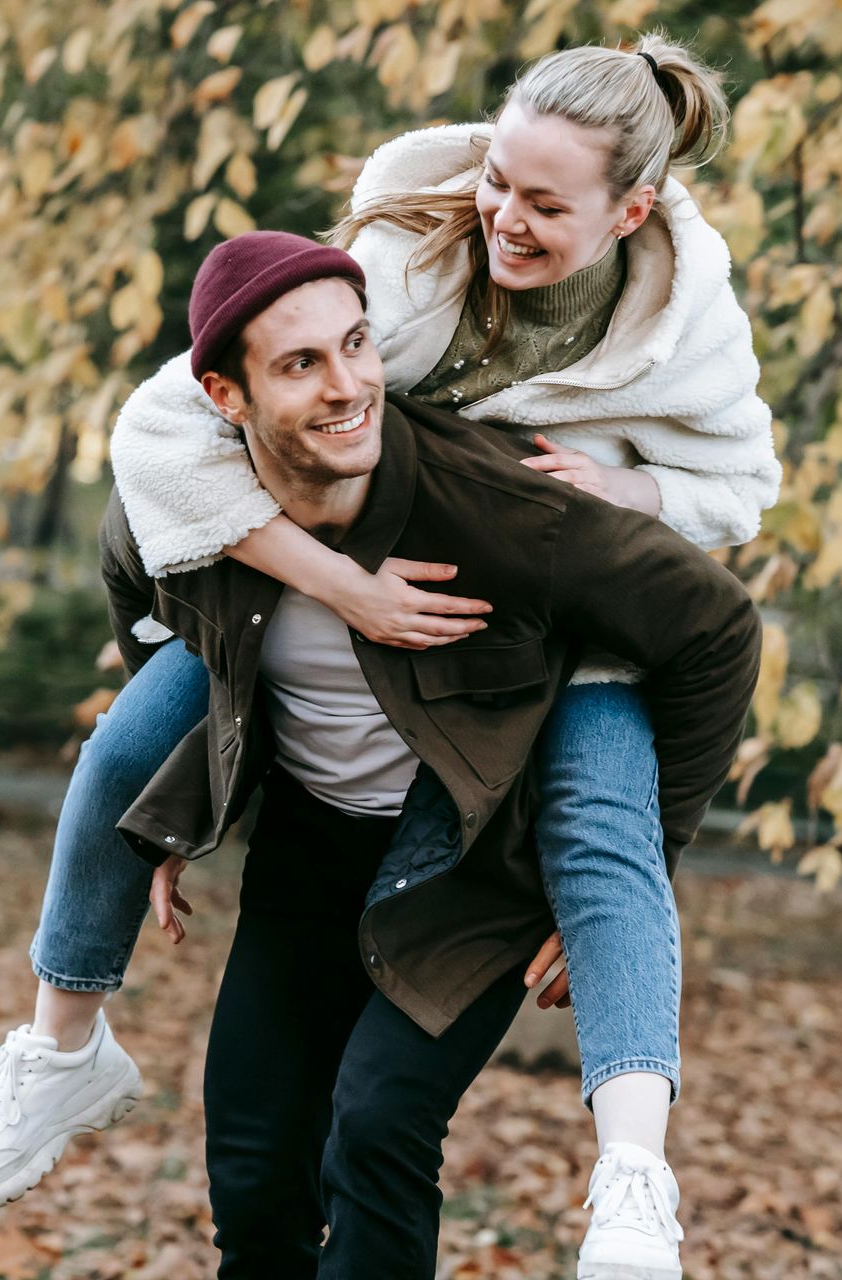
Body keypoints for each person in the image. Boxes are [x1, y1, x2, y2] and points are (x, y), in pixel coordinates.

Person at [0, 35, 777, 1270]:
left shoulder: (661, 350)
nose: (506, 217)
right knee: (137, 782)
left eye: (547, 204)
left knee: (595, 831)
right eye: (498, 180)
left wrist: (632, 493)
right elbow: (149, 502)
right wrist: (198, 776)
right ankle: (60, 1048)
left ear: (631, 208)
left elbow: (728, 543)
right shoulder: (392, 275)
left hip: (536, 628)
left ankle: (635, 1171)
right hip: (337, 734)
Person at [146, 235, 754, 1273]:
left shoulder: (499, 501)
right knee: (253, 1175)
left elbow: (717, 632)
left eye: (357, 345)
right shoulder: (197, 510)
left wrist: (644, 861)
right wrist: (179, 800)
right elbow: (168, 624)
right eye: (301, 365)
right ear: (225, 396)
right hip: (307, 853)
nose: (349, 387)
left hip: (469, 868)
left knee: (377, 1128)